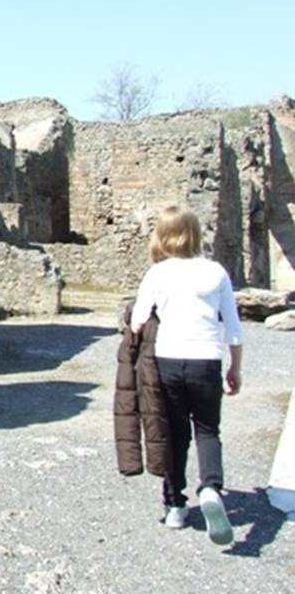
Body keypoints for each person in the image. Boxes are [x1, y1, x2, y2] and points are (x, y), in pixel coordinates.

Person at [130, 206, 243, 545]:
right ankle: (210, 487)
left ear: (162, 236)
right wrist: (235, 368)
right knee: (207, 430)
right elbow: (233, 328)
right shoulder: (215, 272)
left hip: (168, 360)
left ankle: (175, 506)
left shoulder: (157, 274)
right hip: (206, 360)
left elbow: (137, 321)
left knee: (174, 434)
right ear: (194, 234)